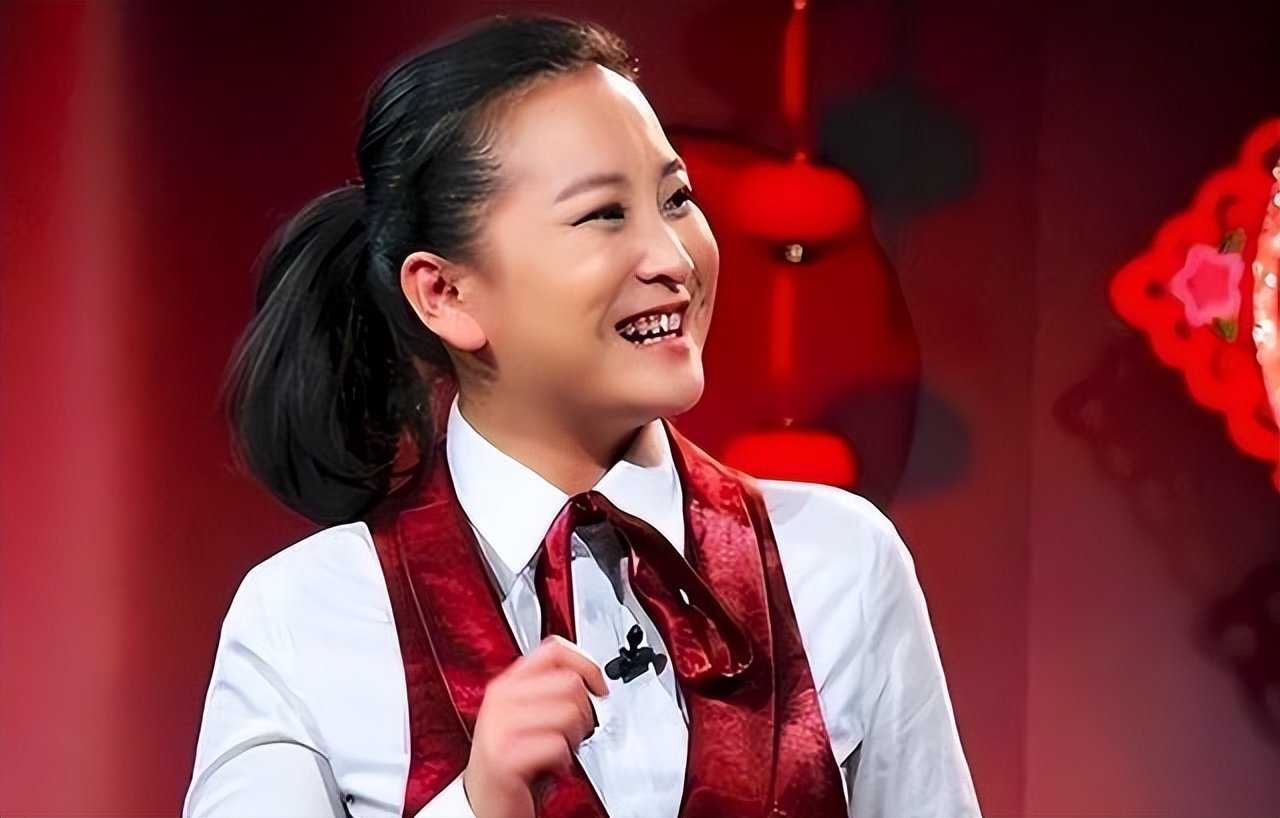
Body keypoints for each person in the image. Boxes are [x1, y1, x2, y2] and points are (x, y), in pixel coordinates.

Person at [184, 15, 979, 818]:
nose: (673, 258)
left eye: (676, 199)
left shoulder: (842, 563)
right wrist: (478, 804)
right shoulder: (306, 613)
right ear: (446, 293)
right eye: (604, 214)